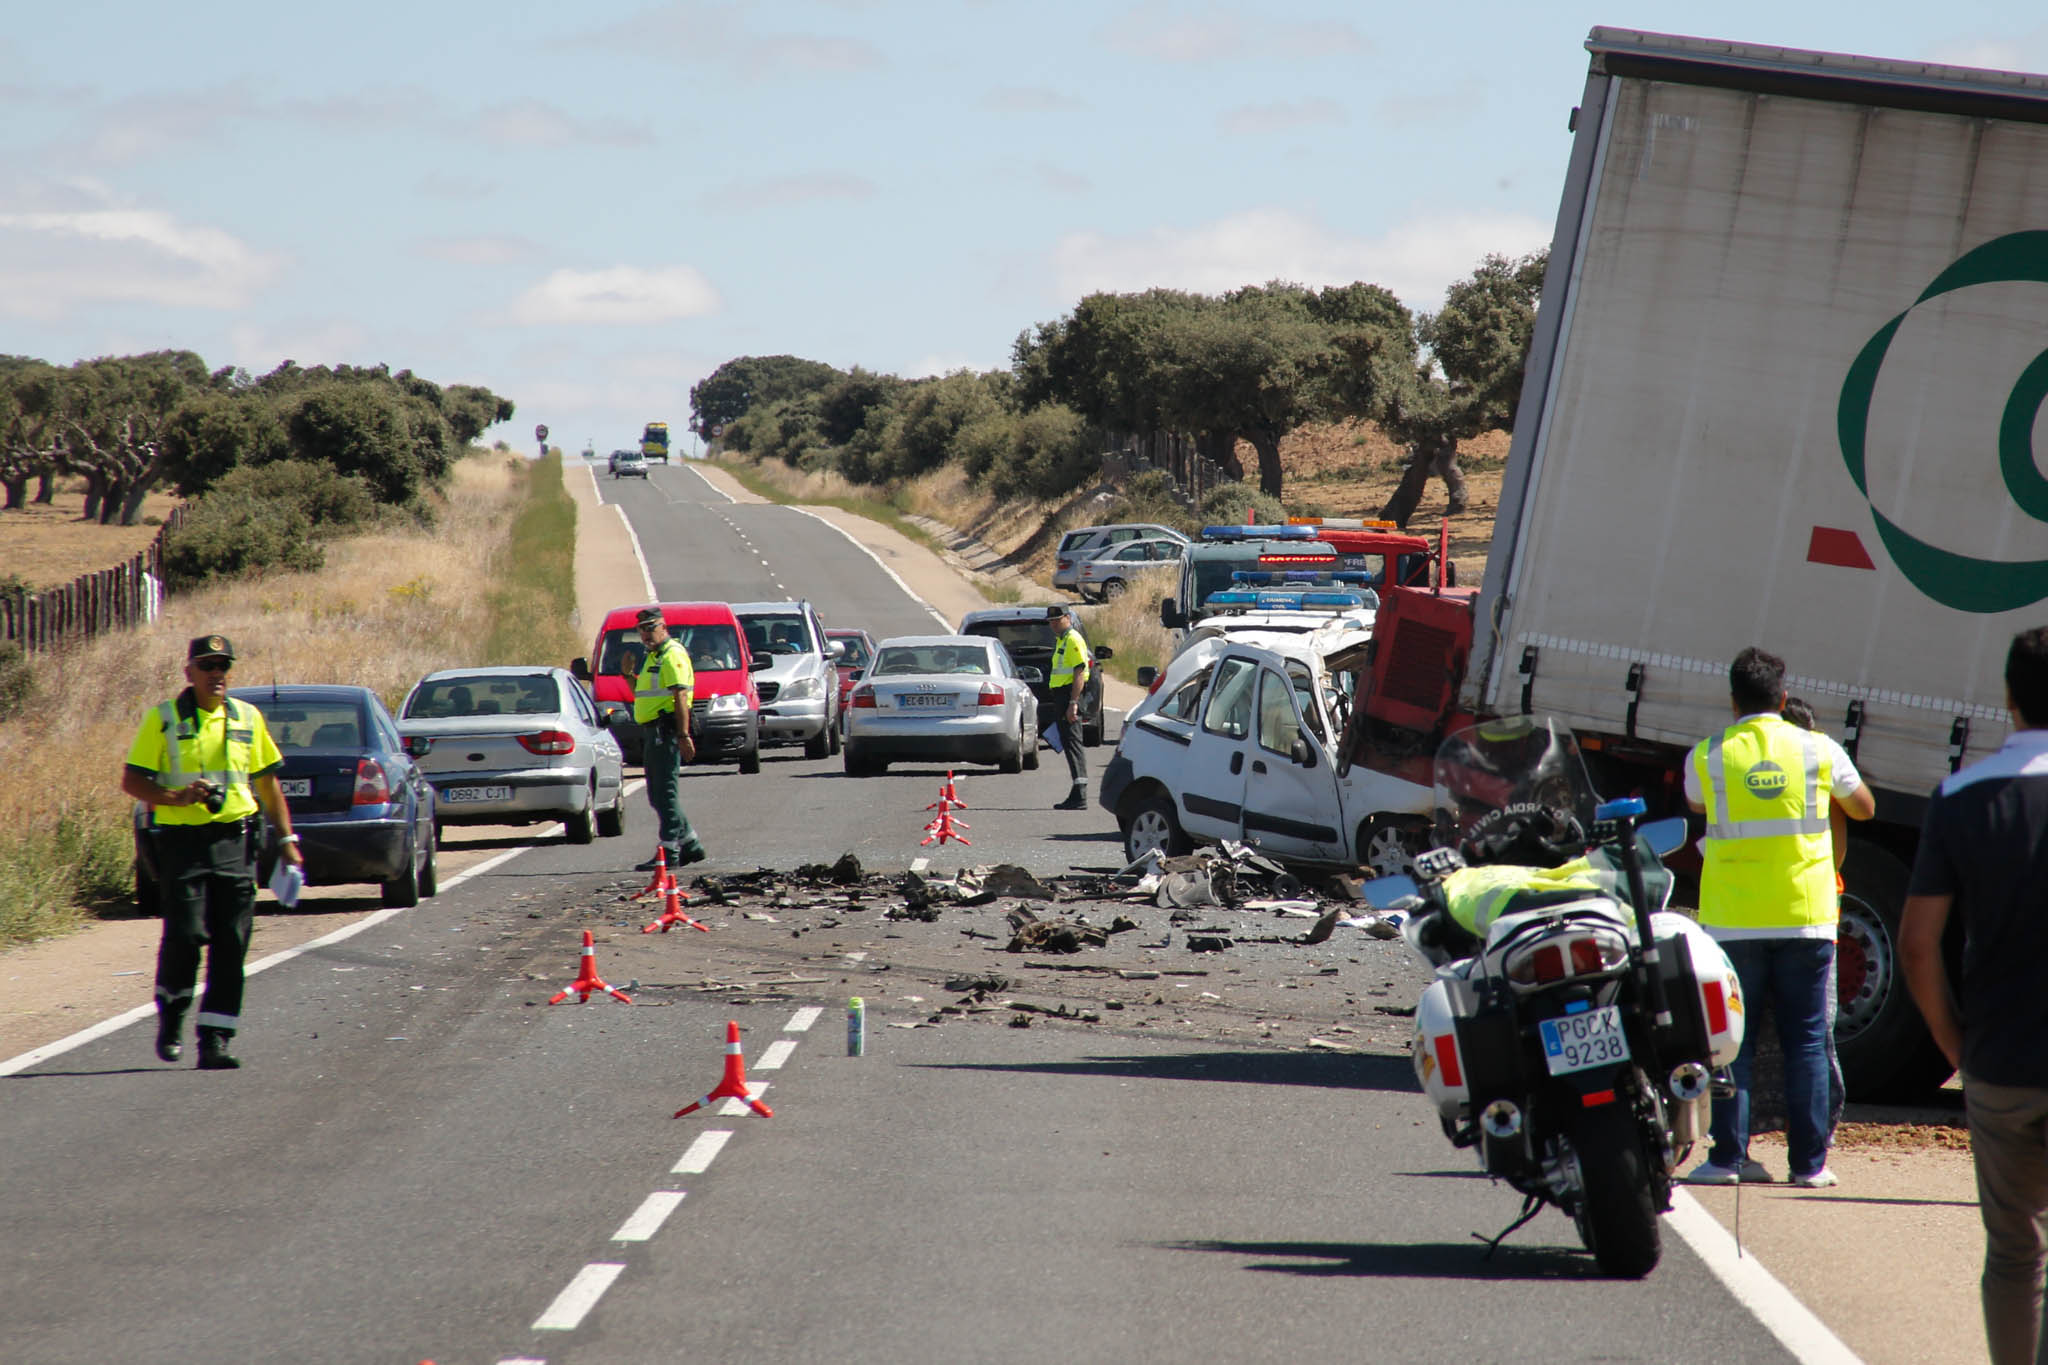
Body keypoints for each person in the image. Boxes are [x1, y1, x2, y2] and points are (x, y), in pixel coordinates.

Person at [1901, 626, 2048, 1365]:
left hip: (1998, 1060)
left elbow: (1919, 941)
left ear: (2009, 698)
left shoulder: (1959, 797)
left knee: (2015, 1249)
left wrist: (1952, 1040)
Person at [1683, 646, 1875, 1187]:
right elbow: (1864, 807)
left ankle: (1726, 1159)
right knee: (1807, 1040)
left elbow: (1697, 804)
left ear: (1732, 701)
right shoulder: (1818, 749)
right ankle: (1809, 1166)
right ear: (1784, 697)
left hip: (1732, 920)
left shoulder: (1708, 755)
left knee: (1733, 1041)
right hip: (1806, 915)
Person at [121, 634, 302, 1070]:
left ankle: (216, 1039)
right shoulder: (163, 720)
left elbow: (267, 783)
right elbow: (133, 782)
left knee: (232, 942)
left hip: (235, 841)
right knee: (185, 936)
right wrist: (177, 796)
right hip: (182, 844)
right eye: (207, 665)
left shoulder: (247, 717)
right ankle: (172, 1014)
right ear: (189, 672)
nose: (216, 673)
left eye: (223, 665)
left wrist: (288, 840)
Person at [1782, 695, 1850, 1144]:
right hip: (1817, 909)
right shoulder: (1826, 768)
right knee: (1814, 1035)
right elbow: (1840, 846)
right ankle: (1813, 1144)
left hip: (1757, 913)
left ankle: (1739, 1143)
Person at [631, 607, 707, 872]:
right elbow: (649, 695)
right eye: (641, 629)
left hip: (666, 731)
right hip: (653, 730)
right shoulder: (654, 656)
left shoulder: (672, 654)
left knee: (664, 792)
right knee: (657, 793)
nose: (645, 634)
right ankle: (691, 844)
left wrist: (683, 734)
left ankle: (669, 851)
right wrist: (628, 677)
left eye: (650, 628)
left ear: (663, 626)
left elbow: (680, 697)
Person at [1044, 605, 1092, 811]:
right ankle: (1076, 790)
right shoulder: (1062, 640)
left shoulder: (1072, 639)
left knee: (1073, 743)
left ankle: (1080, 794)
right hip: (1062, 696)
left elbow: (1079, 672)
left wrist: (1073, 703)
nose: (1053, 624)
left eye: (1057, 619)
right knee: (1068, 742)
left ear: (1068, 618)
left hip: (1069, 695)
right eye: (1051, 621)